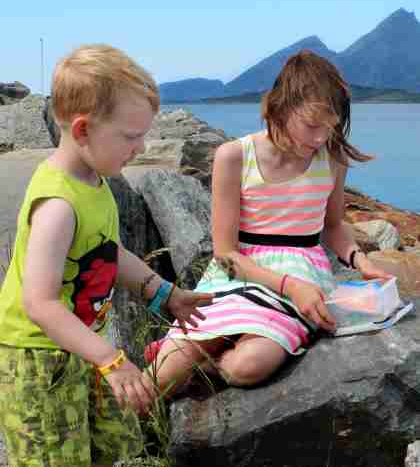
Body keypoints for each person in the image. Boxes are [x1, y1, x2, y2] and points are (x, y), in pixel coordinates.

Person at [138, 49, 390, 412]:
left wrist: (359, 259)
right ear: (281, 107)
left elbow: (333, 227)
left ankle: (206, 364)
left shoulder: (331, 159)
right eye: (312, 125)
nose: (321, 138)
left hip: (303, 272)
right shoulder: (234, 156)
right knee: (160, 376)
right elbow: (225, 254)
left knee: (247, 367)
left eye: (330, 127)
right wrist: (290, 286)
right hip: (236, 274)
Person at [0, 44, 212, 467]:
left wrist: (164, 294)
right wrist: (110, 361)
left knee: (110, 447)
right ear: (82, 130)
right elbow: (39, 304)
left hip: (83, 349)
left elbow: (106, 252)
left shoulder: (94, 182)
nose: (140, 147)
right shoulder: (58, 205)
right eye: (131, 136)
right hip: (41, 364)